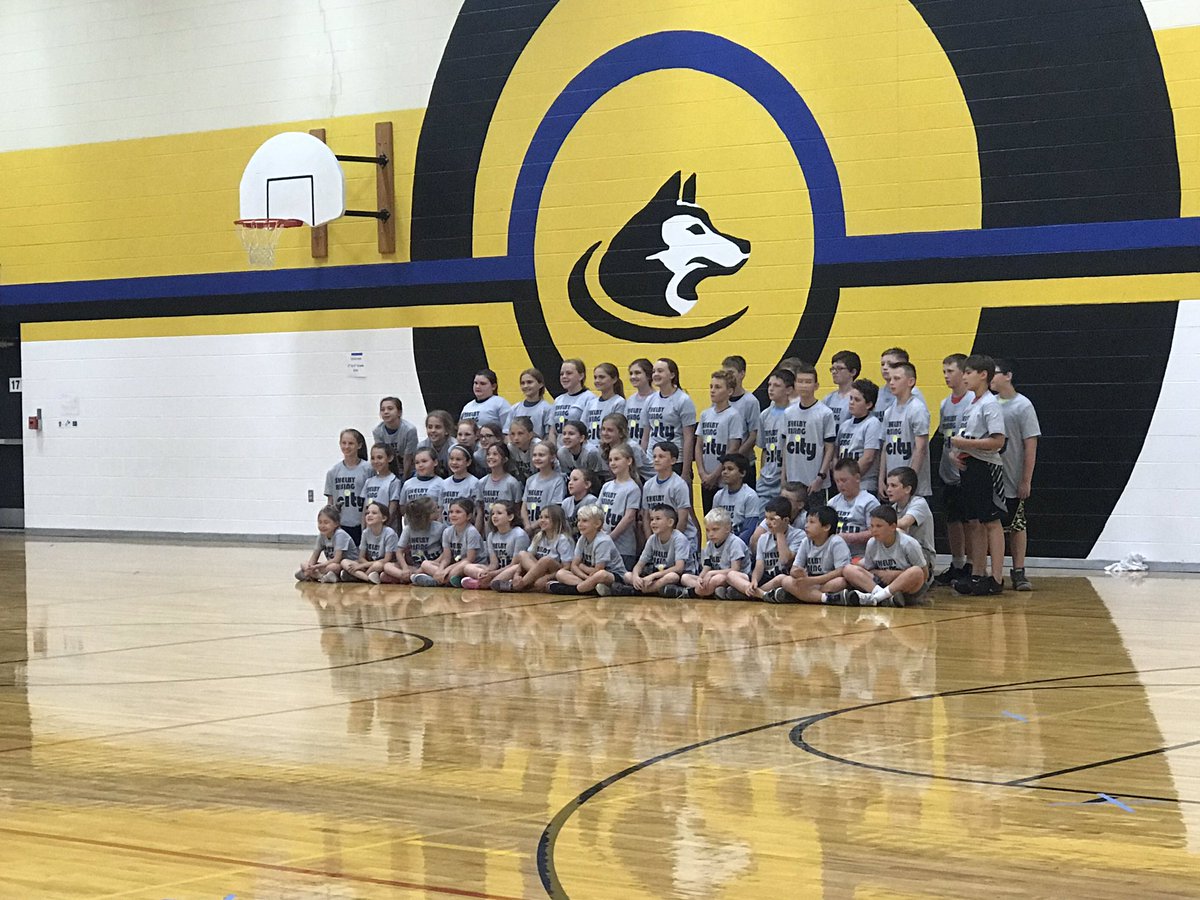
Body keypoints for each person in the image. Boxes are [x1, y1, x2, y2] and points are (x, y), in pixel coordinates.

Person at [947, 354, 1007, 596]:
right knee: (975, 523)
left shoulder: (990, 404)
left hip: (986, 468)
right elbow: (967, 438)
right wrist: (957, 452)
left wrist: (966, 445)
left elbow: (998, 441)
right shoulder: (973, 403)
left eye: (969, 372)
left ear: (983, 374)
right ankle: (977, 574)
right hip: (970, 468)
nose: (964, 376)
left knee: (991, 522)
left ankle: (997, 577)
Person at [993, 357, 1041, 592]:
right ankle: (994, 573)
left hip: (1013, 475)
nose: (990, 378)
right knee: (993, 526)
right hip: (992, 476)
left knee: (1017, 524)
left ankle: (1019, 571)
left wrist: (1026, 479)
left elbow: (1030, 444)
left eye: (995, 373)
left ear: (1008, 376)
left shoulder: (1023, 406)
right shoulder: (988, 404)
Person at [831, 506, 930, 607]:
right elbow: (870, 571)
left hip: (905, 588)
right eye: (872, 526)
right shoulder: (871, 543)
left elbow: (924, 574)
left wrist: (894, 574)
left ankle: (876, 598)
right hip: (880, 584)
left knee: (916, 571)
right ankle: (884, 598)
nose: (874, 530)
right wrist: (881, 573)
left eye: (879, 526)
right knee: (848, 569)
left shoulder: (909, 543)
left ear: (893, 527)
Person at [933, 353, 974, 586]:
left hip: (966, 471)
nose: (946, 376)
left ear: (964, 372)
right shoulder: (945, 403)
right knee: (952, 520)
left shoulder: (972, 401)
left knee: (971, 521)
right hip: (947, 471)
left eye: (951, 371)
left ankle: (972, 563)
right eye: (944, 372)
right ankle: (957, 562)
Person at [766, 505, 851, 604]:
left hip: (826, 581)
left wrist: (814, 580)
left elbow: (840, 571)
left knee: (840, 582)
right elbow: (794, 569)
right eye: (806, 522)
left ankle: (801, 596)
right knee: (786, 581)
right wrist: (797, 572)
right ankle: (824, 598)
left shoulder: (836, 542)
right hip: (810, 583)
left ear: (826, 527)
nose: (806, 525)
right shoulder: (806, 541)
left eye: (812, 522)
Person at [722, 497, 802, 599]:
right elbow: (759, 566)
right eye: (766, 518)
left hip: (781, 578)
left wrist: (779, 533)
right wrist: (754, 580)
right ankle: (761, 594)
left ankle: (748, 594)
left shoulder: (798, 535)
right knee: (731, 575)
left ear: (786, 520)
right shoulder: (763, 538)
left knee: (782, 579)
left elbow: (785, 560)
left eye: (772, 519)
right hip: (765, 579)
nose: (768, 523)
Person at [783, 361, 837, 499]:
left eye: (808, 382)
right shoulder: (788, 413)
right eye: (800, 381)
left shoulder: (825, 413)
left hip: (814, 482)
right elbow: (785, 446)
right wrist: (783, 475)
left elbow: (829, 448)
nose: (803, 385)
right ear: (795, 384)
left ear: (816, 386)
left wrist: (821, 476)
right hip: (792, 482)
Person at [616, 504, 694, 598]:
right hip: (657, 575)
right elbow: (639, 564)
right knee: (628, 575)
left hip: (677, 576)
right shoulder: (652, 539)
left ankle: (637, 591)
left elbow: (679, 568)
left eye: (658, 519)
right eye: (652, 519)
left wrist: (652, 576)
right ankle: (649, 589)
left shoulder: (679, 539)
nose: (653, 522)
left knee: (672, 576)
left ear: (670, 522)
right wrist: (636, 576)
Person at [492, 505, 574, 593]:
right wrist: (517, 574)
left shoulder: (562, 539)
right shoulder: (539, 536)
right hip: (537, 571)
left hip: (553, 572)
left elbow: (567, 567)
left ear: (556, 519)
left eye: (546, 517)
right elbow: (523, 560)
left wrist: (547, 577)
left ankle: (517, 586)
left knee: (545, 560)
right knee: (523, 554)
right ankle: (525, 584)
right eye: (540, 517)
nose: (542, 520)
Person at [697, 369, 746, 513]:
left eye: (718, 387)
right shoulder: (705, 414)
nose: (712, 391)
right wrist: (702, 472)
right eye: (711, 387)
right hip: (706, 478)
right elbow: (699, 446)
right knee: (708, 517)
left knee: (722, 518)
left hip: (722, 479)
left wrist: (715, 475)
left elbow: (732, 449)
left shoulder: (733, 416)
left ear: (729, 391)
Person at [881, 362, 932, 497]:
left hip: (912, 488)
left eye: (897, 378)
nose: (891, 382)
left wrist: (910, 482)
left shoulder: (917, 409)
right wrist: (882, 479)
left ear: (910, 381)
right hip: (893, 484)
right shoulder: (889, 412)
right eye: (890, 379)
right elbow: (885, 446)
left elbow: (920, 448)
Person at [551, 504, 625, 595]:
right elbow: (574, 566)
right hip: (589, 576)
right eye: (578, 520)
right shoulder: (582, 538)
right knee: (560, 574)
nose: (580, 524)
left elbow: (599, 570)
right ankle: (591, 588)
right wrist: (586, 578)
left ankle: (576, 590)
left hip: (612, 575)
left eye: (584, 521)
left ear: (597, 524)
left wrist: (582, 567)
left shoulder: (603, 541)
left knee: (601, 575)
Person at [641, 442, 699, 559]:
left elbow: (682, 519)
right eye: (654, 456)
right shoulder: (648, 485)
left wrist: (673, 543)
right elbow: (646, 517)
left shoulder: (679, 485)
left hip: (683, 538)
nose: (656, 460)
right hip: (659, 541)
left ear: (673, 461)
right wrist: (650, 542)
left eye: (661, 456)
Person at [644, 358, 697, 483]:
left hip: (675, 461)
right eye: (654, 371)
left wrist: (686, 470)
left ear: (672, 375)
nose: (656, 374)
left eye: (660, 371)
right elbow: (646, 435)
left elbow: (688, 437)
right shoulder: (650, 400)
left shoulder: (683, 400)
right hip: (653, 461)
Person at [412, 497, 483, 586]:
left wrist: (447, 570)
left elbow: (469, 559)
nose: (453, 515)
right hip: (455, 565)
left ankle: (436, 581)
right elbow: (446, 558)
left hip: (472, 565)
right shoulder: (447, 531)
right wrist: (440, 570)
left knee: (463, 566)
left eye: (458, 512)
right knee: (425, 563)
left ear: (468, 516)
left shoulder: (471, 531)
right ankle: (449, 580)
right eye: (451, 512)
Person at [681, 507, 748, 599]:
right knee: (685, 577)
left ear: (727, 529)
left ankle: (696, 592)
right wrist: (701, 578)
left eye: (715, 529)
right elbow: (706, 567)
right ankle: (709, 591)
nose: (710, 534)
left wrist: (711, 573)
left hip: (736, 578)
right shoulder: (709, 545)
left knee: (718, 578)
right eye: (707, 530)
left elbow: (735, 569)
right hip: (714, 577)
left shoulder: (735, 543)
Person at [462, 500, 530, 590]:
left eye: (499, 513)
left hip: (513, 570)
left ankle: (482, 584)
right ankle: (485, 581)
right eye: (493, 513)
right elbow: (494, 564)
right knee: (467, 567)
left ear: (510, 517)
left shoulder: (519, 535)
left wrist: (492, 574)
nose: (494, 516)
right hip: (498, 570)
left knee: (511, 570)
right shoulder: (491, 535)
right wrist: (486, 572)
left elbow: (515, 564)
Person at [836, 378, 885, 495]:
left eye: (857, 400)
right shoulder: (845, 425)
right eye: (851, 398)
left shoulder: (872, 424)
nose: (851, 402)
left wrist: (850, 478)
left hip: (864, 485)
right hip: (844, 484)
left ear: (869, 404)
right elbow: (835, 454)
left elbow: (868, 458)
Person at [598, 444, 642, 570]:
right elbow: (596, 512)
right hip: (603, 544)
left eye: (617, 459)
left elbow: (629, 518)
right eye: (610, 460)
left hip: (623, 548)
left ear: (629, 461)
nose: (612, 463)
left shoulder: (632, 488)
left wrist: (609, 538)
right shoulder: (606, 486)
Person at [382, 496, 445, 584]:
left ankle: (412, 578)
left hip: (431, 565)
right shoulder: (409, 529)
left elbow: (445, 552)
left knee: (426, 565)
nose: (439, 510)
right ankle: (414, 577)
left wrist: (433, 563)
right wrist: (404, 568)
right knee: (387, 566)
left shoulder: (440, 528)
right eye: (436, 509)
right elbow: (399, 551)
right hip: (414, 567)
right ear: (427, 515)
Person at [324, 428, 370, 545]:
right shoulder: (333, 471)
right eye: (344, 443)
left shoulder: (368, 469)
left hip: (362, 522)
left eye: (351, 443)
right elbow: (330, 501)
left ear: (359, 445)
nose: (347, 446)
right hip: (341, 523)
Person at [885, 466, 935, 572]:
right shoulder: (892, 509)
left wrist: (882, 526)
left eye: (893, 485)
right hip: (899, 556)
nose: (888, 490)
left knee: (897, 532)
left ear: (908, 489)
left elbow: (904, 523)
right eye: (887, 485)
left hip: (923, 556)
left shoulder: (919, 502)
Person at [756, 368, 793, 507]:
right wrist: (762, 473)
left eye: (776, 386)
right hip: (767, 478)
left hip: (785, 477)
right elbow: (764, 449)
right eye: (770, 385)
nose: (771, 389)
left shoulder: (793, 413)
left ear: (789, 390)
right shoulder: (764, 415)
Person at [723, 354, 760, 488]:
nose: (728, 377)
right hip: (725, 465)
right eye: (725, 373)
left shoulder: (750, 401)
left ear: (742, 374)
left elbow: (753, 435)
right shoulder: (721, 401)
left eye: (731, 372)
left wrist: (735, 457)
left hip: (744, 463)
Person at [828, 458, 880, 550]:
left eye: (844, 480)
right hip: (836, 553)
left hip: (860, 554)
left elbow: (876, 531)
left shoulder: (870, 502)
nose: (840, 484)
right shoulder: (832, 502)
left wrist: (850, 537)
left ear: (857, 478)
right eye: (837, 481)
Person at [296, 505, 357, 583]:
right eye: (320, 522)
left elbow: (337, 559)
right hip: (329, 565)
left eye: (326, 522)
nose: (322, 526)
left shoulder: (340, 534)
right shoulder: (322, 535)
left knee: (333, 567)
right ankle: (320, 576)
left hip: (345, 565)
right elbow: (314, 556)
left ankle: (314, 576)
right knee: (304, 563)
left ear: (336, 523)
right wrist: (310, 567)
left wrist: (316, 567)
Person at [341, 501, 398, 584]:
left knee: (378, 565)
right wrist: (366, 565)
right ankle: (367, 578)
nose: (369, 515)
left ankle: (358, 577)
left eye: (374, 513)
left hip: (384, 565)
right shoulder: (365, 532)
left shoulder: (389, 533)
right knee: (344, 561)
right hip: (369, 565)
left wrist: (362, 566)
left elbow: (386, 559)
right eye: (367, 513)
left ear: (383, 518)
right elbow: (361, 557)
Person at [712, 452, 762, 541]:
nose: (725, 472)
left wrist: (733, 546)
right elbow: (713, 524)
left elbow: (749, 530)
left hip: (741, 546)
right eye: (723, 469)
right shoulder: (718, 496)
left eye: (730, 469)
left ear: (742, 473)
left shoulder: (750, 496)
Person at [475, 442, 523, 534]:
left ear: (505, 459)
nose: (490, 457)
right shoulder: (482, 482)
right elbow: (480, 510)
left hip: (508, 531)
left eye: (495, 454)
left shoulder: (512, 483)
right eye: (488, 454)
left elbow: (517, 509)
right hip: (488, 531)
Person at [521, 442, 566, 530]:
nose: (537, 458)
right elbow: (524, 506)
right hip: (529, 528)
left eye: (541, 455)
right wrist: (527, 526)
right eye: (534, 455)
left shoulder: (558, 480)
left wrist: (533, 527)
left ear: (552, 458)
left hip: (546, 528)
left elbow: (553, 508)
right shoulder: (530, 480)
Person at [598, 413, 652, 483]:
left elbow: (636, 475)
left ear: (621, 433)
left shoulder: (632, 447)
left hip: (646, 480)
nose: (605, 433)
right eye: (603, 429)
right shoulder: (603, 447)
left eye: (610, 430)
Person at [372, 396, 418, 479]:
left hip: (411, 471)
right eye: (382, 409)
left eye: (390, 408)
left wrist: (404, 479)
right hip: (391, 470)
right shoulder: (377, 431)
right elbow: (381, 455)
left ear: (399, 412)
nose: (386, 412)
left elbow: (408, 457)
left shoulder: (409, 430)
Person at [583, 362, 626, 447]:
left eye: (601, 377)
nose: (597, 381)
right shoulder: (591, 403)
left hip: (607, 449)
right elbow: (583, 427)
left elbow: (617, 430)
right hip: (590, 449)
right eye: (595, 377)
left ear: (614, 379)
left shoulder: (618, 402)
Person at [506, 367, 555, 441]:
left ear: (540, 384)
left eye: (529, 382)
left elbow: (548, 435)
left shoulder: (546, 409)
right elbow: (507, 433)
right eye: (523, 383)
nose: (525, 386)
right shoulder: (514, 408)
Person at [397, 448, 443, 525]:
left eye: (424, 461)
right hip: (412, 528)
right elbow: (402, 508)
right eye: (417, 462)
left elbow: (441, 509)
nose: (420, 465)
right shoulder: (408, 484)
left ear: (435, 462)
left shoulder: (441, 483)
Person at [552, 358, 595, 439]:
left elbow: (587, 429)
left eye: (569, 373)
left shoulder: (589, 398)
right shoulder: (558, 400)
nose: (564, 376)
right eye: (561, 374)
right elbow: (552, 431)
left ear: (581, 376)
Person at [459, 368, 510, 434]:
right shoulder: (467, 407)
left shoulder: (500, 403)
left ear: (493, 386)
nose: (477, 386)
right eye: (475, 383)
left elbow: (508, 429)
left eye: (482, 384)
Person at [362, 443, 401, 528]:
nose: (376, 461)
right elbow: (365, 508)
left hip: (387, 529)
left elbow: (392, 510)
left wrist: (383, 529)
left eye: (379, 458)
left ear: (390, 458)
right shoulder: (369, 481)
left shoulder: (394, 481)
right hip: (370, 530)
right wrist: (363, 529)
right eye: (373, 458)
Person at [556, 420, 605, 486]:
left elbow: (596, 478)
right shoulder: (561, 453)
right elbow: (568, 477)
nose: (566, 437)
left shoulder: (591, 452)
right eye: (564, 433)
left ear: (582, 438)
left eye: (571, 434)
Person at [439, 444, 480, 520]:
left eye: (458, 459)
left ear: (468, 462)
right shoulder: (444, 483)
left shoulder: (474, 483)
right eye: (451, 459)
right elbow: (441, 509)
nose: (454, 462)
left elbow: (477, 511)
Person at [823, 350, 861, 432]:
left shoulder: (858, 398)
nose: (834, 372)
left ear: (853, 372)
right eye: (832, 369)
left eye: (839, 368)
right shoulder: (828, 398)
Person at [624, 358, 656, 447]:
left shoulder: (656, 399)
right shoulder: (630, 400)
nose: (633, 377)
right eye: (631, 373)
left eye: (637, 373)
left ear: (649, 375)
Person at [562, 467, 600, 538]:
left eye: (575, 479)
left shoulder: (591, 500)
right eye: (569, 480)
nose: (570, 483)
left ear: (587, 484)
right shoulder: (566, 502)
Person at [417, 410, 457, 475]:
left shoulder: (455, 447)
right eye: (430, 427)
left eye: (438, 427)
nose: (433, 430)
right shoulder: (422, 447)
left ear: (447, 430)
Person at [506, 415, 538, 484]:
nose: (516, 438)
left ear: (530, 435)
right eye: (512, 434)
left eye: (520, 433)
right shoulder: (512, 447)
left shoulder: (537, 446)